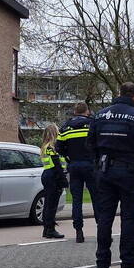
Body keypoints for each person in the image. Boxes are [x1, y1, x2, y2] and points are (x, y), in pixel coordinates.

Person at [90, 82, 134, 268]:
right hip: (128, 172)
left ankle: (101, 264)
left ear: (118, 93)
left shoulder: (100, 115)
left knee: (105, 218)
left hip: (104, 171)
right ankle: (127, 266)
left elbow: (90, 143)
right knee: (128, 218)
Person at [57, 102, 96, 243]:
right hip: (91, 166)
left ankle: (79, 231)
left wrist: (69, 156)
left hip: (74, 166)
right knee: (97, 199)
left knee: (76, 201)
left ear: (74, 112)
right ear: (87, 111)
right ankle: (102, 229)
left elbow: (59, 148)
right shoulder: (93, 124)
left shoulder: (65, 127)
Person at [40, 124, 68, 239]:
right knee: (52, 205)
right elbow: (57, 165)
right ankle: (50, 229)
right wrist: (63, 180)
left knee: (48, 204)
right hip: (54, 176)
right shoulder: (53, 148)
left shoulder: (45, 146)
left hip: (47, 175)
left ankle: (46, 229)